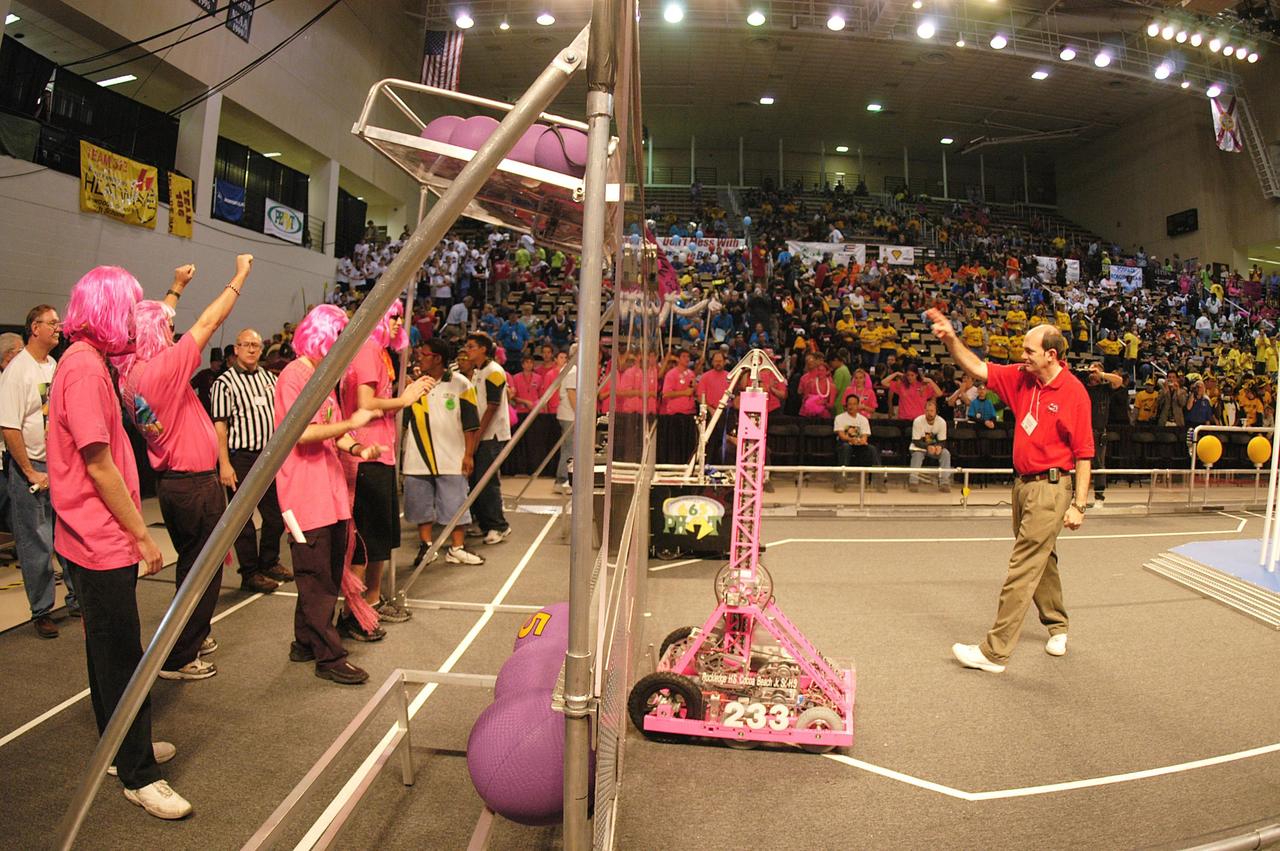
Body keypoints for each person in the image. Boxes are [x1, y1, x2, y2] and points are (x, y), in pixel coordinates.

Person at [48, 266, 192, 819]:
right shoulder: (84, 369)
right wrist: (141, 533)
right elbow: (98, 461)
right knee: (123, 655)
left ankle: (119, 745)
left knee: (108, 650)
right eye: (129, 308)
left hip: (95, 534)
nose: (135, 319)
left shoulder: (90, 362)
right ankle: (137, 773)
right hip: (100, 536)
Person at [929, 308, 1093, 673]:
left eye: (1029, 351)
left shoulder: (1074, 393)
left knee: (1022, 565)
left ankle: (995, 652)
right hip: (1022, 485)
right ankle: (1058, 625)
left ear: (1051, 355)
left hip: (1052, 488)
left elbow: (1084, 454)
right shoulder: (1022, 378)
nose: (1022, 356)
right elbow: (977, 369)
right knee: (1042, 556)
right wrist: (952, 339)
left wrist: (1079, 505)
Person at [115, 258, 253, 681]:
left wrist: (176, 286)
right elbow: (210, 322)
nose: (174, 334)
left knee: (193, 566)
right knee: (203, 573)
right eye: (168, 332)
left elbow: (157, 317)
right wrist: (239, 276)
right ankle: (180, 655)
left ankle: (190, 633)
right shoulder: (161, 372)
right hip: (193, 486)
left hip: (177, 485)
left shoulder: (132, 371)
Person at [275, 305, 385, 685]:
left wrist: (358, 448)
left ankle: (305, 641)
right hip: (306, 494)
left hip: (330, 491)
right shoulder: (294, 376)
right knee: (316, 578)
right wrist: (350, 424)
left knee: (325, 571)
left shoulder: (321, 378)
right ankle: (329, 655)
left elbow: (334, 431)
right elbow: (300, 434)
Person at [338, 302, 431, 638]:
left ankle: (372, 602)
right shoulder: (366, 350)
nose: (395, 323)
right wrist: (403, 400)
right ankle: (354, 610)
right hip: (366, 456)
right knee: (367, 541)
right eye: (390, 316)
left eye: (398, 318)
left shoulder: (381, 354)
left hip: (381, 455)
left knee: (379, 539)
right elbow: (365, 403)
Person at [1, 304, 78, 637]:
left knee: (68, 536)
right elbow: (9, 426)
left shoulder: (55, 365)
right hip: (29, 467)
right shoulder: (18, 370)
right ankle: (42, 609)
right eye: (52, 323)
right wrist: (30, 472)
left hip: (58, 463)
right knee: (37, 541)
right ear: (34, 328)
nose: (58, 328)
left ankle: (77, 598)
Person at [211, 328, 286, 593]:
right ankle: (250, 573)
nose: (252, 349)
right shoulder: (225, 383)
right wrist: (224, 463)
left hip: (268, 456)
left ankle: (269, 561)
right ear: (236, 349)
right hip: (240, 458)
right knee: (242, 520)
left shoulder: (269, 379)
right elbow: (220, 426)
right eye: (246, 345)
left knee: (275, 517)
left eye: (256, 345)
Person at [403, 339, 485, 567]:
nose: (419, 357)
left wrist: (469, 455)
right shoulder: (415, 386)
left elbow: (471, 425)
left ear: (438, 358)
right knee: (420, 507)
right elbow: (404, 422)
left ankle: (456, 548)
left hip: (452, 457)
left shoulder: (461, 384)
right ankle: (426, 547)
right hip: (417, 459)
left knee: (455, 505)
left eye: (424, 354)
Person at [460, 332, 512, 543]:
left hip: (493, 435)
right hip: (481, 434)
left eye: (471, 346)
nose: (467, 349)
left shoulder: (495, 372)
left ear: (483, 349)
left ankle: (499, 526)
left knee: (487, 481)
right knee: (475, 480)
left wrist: (478, 434)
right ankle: (484, 522)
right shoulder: (477, 372)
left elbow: (492, 406)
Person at [833, 395, 886, 493]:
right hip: (845, 444)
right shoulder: (839, 418)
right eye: (849, 404)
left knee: (872, 449)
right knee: (846, 447)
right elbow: (841, 435)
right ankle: (841, 482)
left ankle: (880, 482)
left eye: (854, 404)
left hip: (859, 445)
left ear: (858, 405)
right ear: (846, 405)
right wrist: (851, 440)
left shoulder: (863, 419)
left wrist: (861, 441)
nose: (851, 406)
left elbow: (865, 436)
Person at [907, 398, 952, 492]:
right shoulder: (918, 421)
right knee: (917, 455)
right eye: (927, 410)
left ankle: (944, 483)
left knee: (946, 454)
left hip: (934, 448)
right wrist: (927, 447)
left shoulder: (942, 422)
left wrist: (940, 446)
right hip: (919, 447)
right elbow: (916, 441)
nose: (929, 413)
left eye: (931, 411)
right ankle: (913, 482)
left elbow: (943, 440)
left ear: (936, 411)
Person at [554, 347, 578, 494]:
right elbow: (571, 394)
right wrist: (580, 415)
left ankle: (563, 479)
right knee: (569, 448)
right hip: (570, 415)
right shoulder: (573, 371)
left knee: (569, 448)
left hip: (567, 414)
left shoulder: (569, 369)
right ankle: (562, 479)